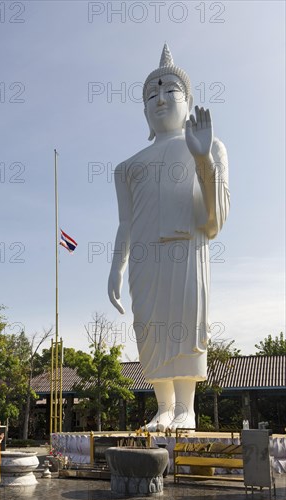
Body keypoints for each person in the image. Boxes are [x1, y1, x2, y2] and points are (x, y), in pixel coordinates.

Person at [108, 44, 230, 431]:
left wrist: (203, 158)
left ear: (188, 100)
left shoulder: (210, 147)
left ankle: (186, 409)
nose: (160, 99)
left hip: (185, 248)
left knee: (186, 325)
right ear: (144, 111)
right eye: (151, 94)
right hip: (144, 255)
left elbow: (215, 218)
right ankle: (163, 406)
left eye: (169, 90)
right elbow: (125, 222)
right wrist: (115, 268)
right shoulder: (127, 167)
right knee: (150, 325)